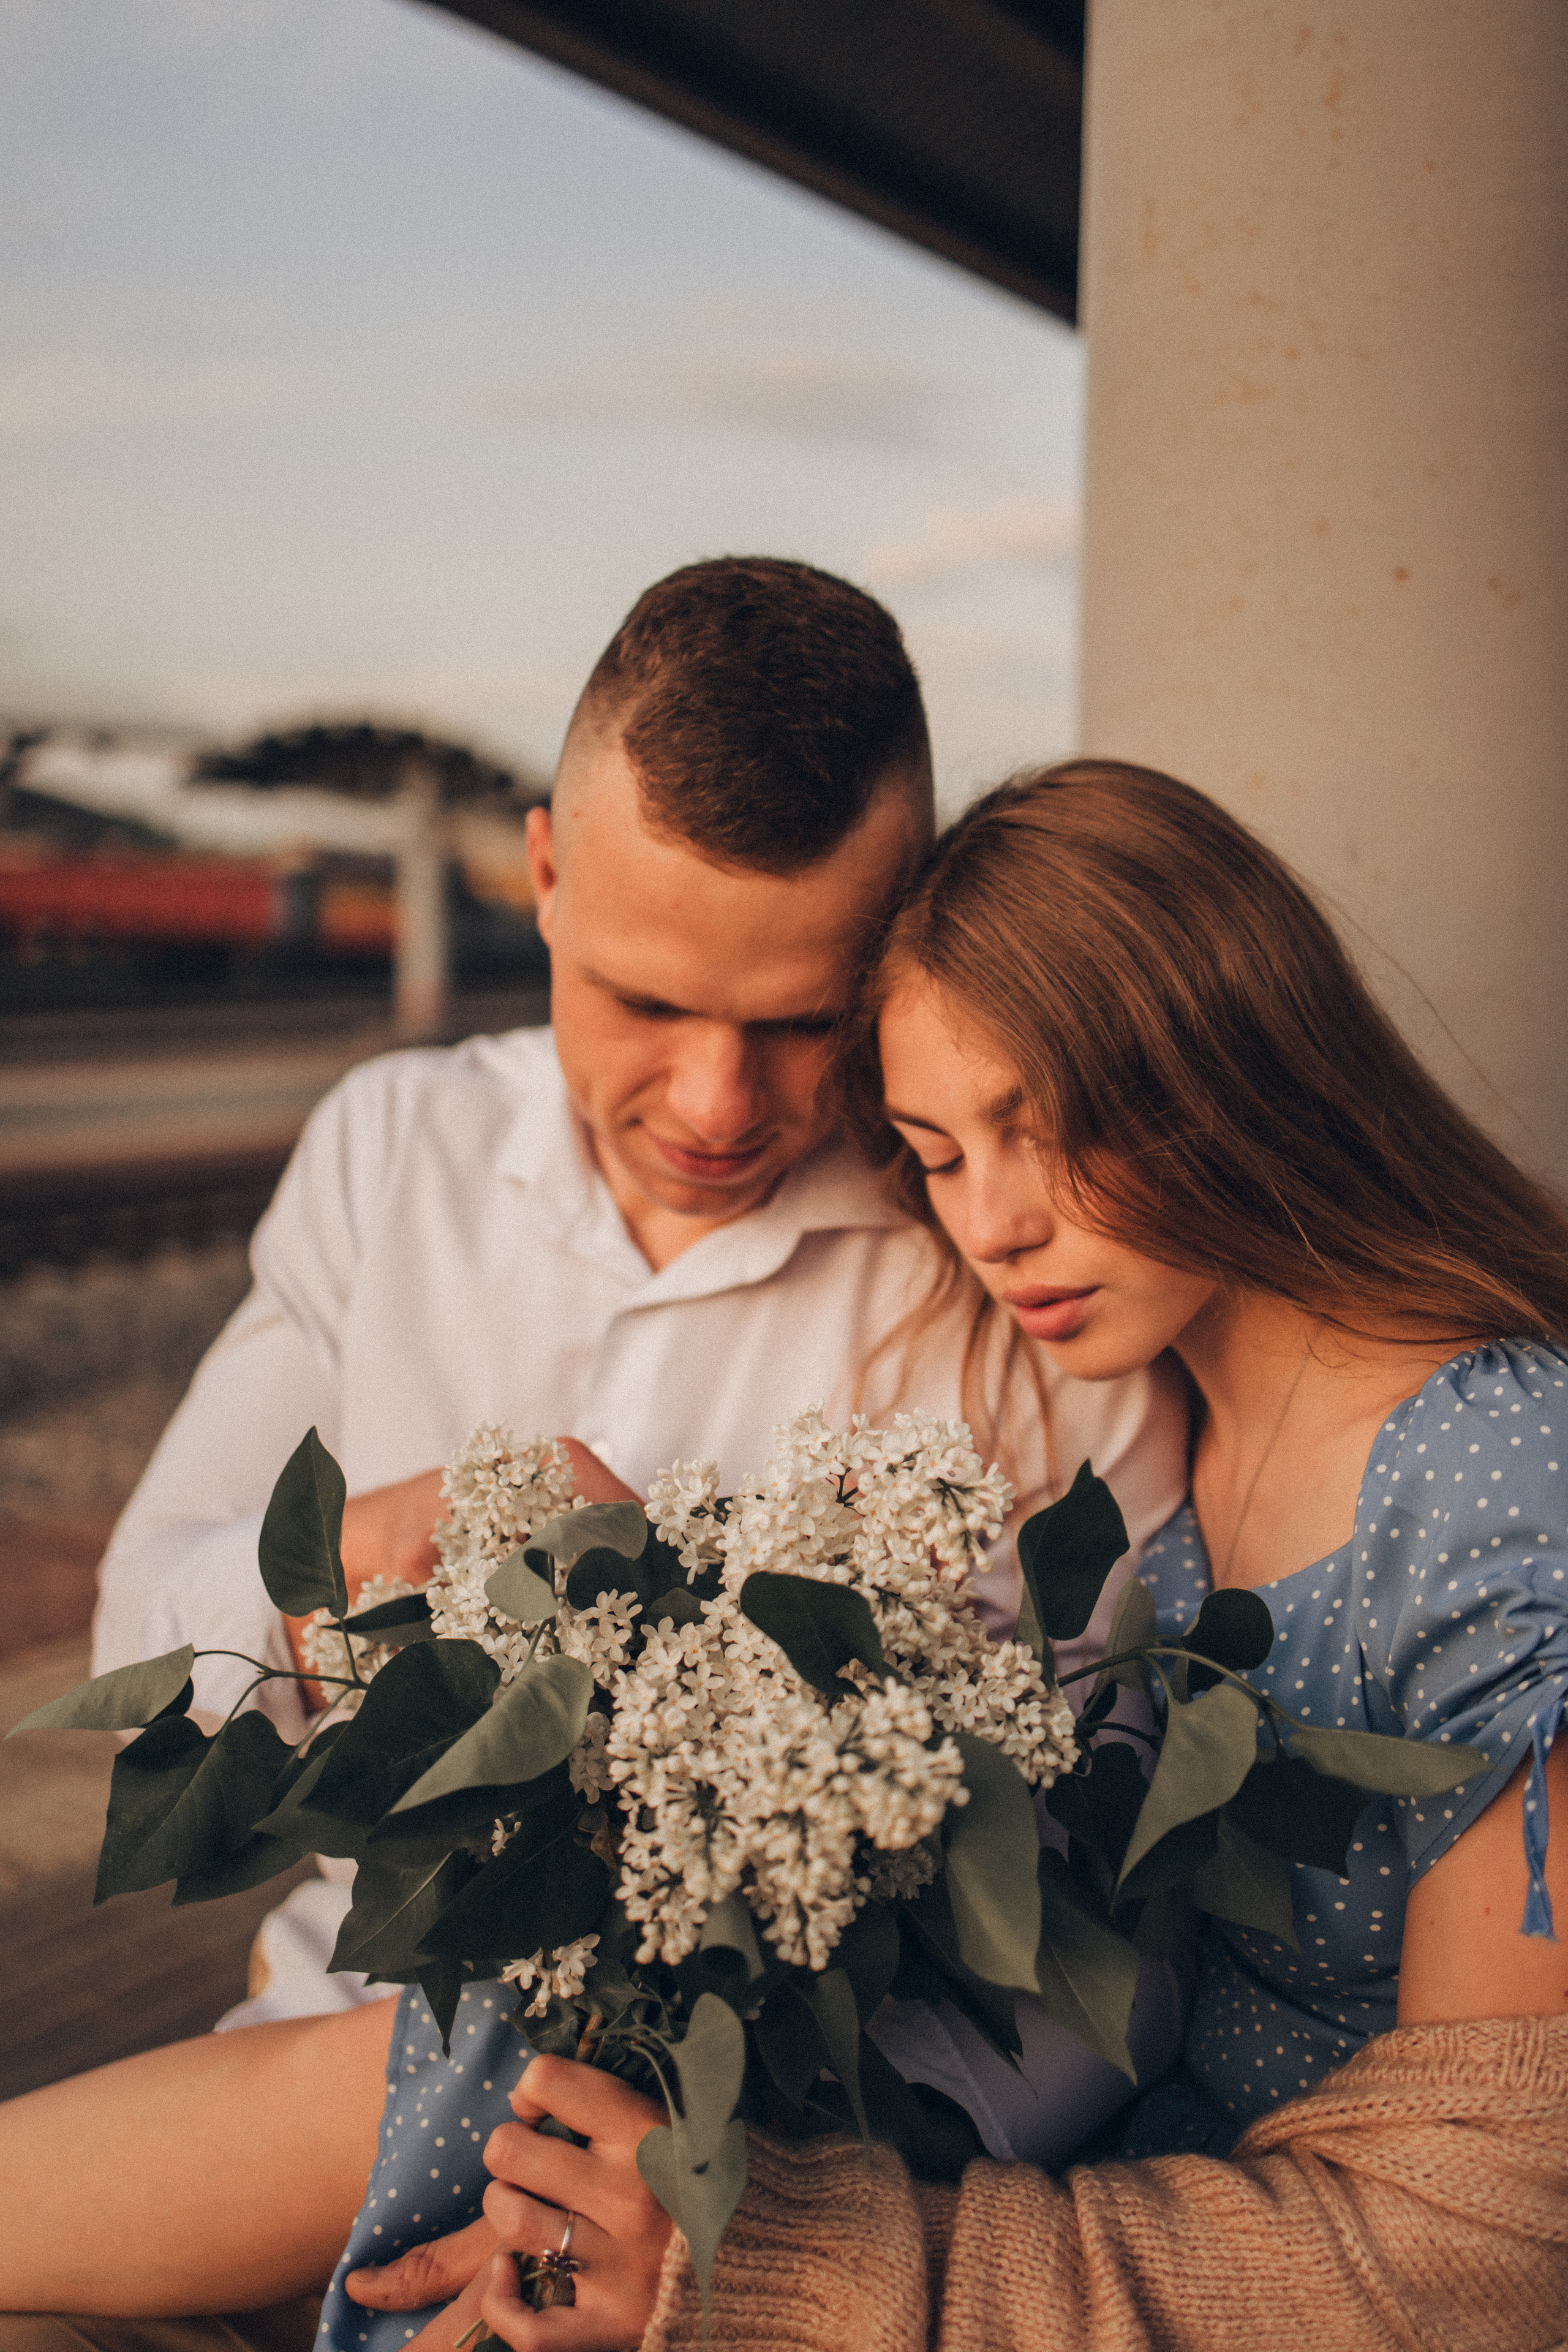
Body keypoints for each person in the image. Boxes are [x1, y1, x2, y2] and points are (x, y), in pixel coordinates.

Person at [11, 755, 1561, 2347]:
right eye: (939, 1156)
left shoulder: (1486, 1479)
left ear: (1232, 1052)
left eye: (1041, 1131)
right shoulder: (1178, 1406)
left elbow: (1502, 2255)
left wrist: (763, 2256)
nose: (994, 1226)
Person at [89, 562, 1186, 2027]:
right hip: (328, 2022)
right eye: (647, 1002)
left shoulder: (1023, 1264)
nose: (715, 1103)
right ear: (543, 878)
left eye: (803, 1020)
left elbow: (1102, 1879)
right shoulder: (390, 1148)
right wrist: (366, 1560)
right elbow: (134, 1648)